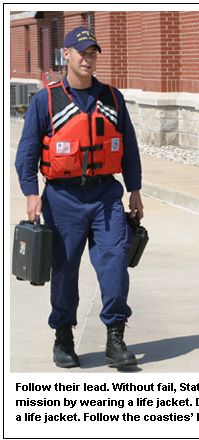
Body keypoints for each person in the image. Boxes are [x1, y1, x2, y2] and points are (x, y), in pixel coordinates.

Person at [15, 26, 144, 369]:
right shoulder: (45, 100)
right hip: (62, 198)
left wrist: (135, 190)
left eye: (93, 53)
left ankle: (115, 338)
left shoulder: (112, 98)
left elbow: (128, 148)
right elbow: (26, 154)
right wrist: (31, 194)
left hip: (105, 195)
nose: (88, 59)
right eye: (82, 52)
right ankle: (63, 338)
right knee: (65, 270)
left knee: (116, 262)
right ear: (66, 55)